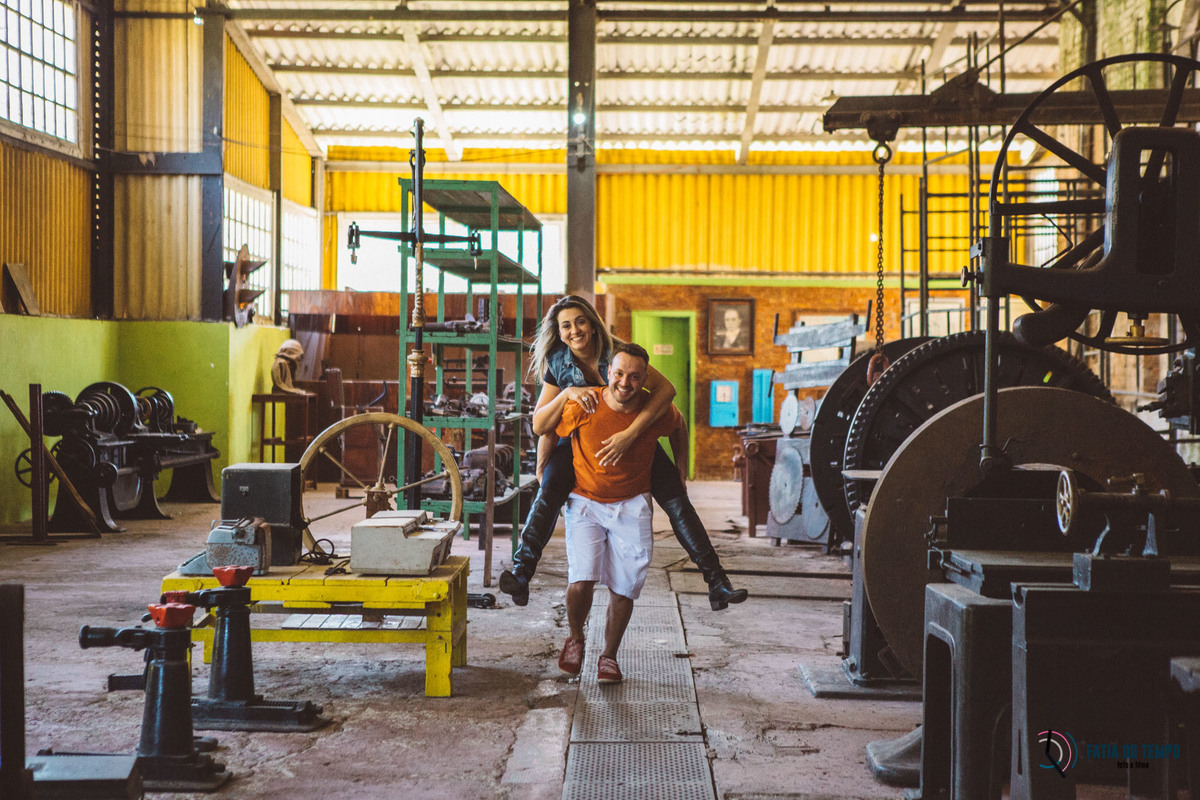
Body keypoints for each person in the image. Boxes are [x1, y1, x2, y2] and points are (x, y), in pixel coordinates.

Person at [499, 295, 748, 611]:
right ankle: (522, 572)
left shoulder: (617, 355)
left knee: (678, 504)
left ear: (592, 323)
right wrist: (564, 399)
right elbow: (543, 423)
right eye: (566, 325)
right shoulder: (558, 364)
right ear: (558, 331)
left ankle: (717, 582)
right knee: (549, 489)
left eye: (580, 321)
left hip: (631, 438)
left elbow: (667, 392)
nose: (575, 330)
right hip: (580, 442)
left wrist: (633, 436)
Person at [546, 343, 687, 682]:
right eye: (620, 374)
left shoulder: (652, 411)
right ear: (608, 371)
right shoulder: (588, 402)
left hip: (632, 504)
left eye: (635, 377)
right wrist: (543, 470)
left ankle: (609, 656)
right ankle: (576, 638)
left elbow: (679, 426)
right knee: (581, 579)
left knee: (624, 587)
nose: (625, 382)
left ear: (645, 380)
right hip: (585, 503)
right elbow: (548, 428)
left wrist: (681, 471)